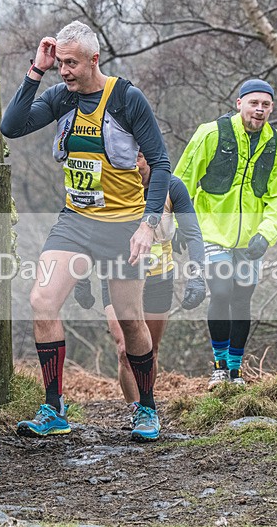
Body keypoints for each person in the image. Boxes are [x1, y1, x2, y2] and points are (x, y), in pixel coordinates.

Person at [0, 21, 172, 442]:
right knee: (42, 301)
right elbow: (11, 126)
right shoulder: (61, 95)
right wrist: (36, 71)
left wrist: (148, 225)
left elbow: (161, 164)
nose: (64, 71)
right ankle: (54, 407)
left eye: (71, 63)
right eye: (60, 62)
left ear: (94, 60)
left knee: (130, 321)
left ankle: (147, 409)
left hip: (123, 226)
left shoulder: (127, 99)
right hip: (75, 222)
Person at [175, 79, 277, 390]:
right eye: (254, 103)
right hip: (211, 230)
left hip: (252, 238)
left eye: (266, 104)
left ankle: (235, 369)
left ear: (272, 108)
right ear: (239, 103)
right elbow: (183, 179)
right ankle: (218, 368)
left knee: (242, 298)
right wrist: (178, 224)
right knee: (221, 291)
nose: (259, 109)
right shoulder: (211, 134)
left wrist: (266, 234)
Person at [74, 152, 206, 418]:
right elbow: (86, 231)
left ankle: (146, 408)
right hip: (117, 275)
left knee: (149, 350)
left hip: (159, 277)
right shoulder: (108, 186)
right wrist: (82, 278)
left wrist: (197, 276)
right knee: (124, 349)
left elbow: (193, 234)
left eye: (139, 156)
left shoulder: (171, 187)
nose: (132, 162)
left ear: (150, 158)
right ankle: (136, 409)